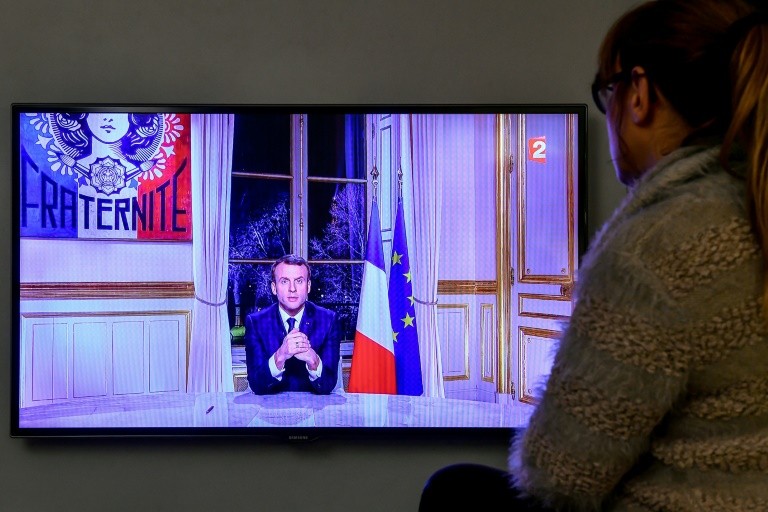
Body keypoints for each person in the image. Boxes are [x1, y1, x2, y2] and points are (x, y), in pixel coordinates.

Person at [420, 0, 768, 510]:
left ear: (639, 95)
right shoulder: (748, 196)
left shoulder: (659, 242)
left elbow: (559, 475)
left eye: (607, 92)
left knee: (454, 492)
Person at [244, 254, 342, 395]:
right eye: (284, 281)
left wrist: (313, 360)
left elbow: (328, 385)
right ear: (274, 287)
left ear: (308, 286)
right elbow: (257, 385)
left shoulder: (328, 320)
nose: (292, 289)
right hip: (269, 410)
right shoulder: (256, 322)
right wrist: (280, 355)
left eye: (299, 281)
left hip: (317, 409)